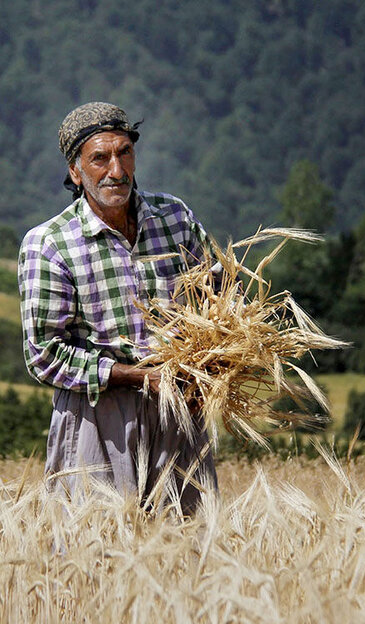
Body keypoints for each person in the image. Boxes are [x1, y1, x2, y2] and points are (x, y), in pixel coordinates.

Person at [18, 102, 217, 513]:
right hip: (98, 415)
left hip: (178, 410)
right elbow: (44, 356)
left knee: (188, 549)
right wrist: (137, 377)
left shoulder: (174, 218)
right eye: (99, 158)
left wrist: (211, 365)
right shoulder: (50, 244)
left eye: (124, 152)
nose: (117, 170)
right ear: (76, 172)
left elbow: (214, 294)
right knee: (96, 552)